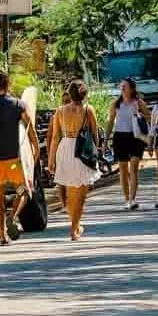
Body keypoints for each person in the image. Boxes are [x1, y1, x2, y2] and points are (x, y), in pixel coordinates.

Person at [0, 70, 40, 246]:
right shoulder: (18, 105)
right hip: (13, 160)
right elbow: (29, 127)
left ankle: (2, 235)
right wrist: (35, 147)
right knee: (24, 190)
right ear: (8, 85)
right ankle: (12, 216)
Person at [49, 79, 101, 241]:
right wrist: (96, 150)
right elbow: (95, 134)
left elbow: (56, 136)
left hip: (65, 148)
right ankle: (74, 229)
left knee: (72, 192)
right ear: (84, 94)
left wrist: (51, 159)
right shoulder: (88, 109)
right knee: (80, 194)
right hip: (82, 149)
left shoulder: (60, 111)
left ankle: (76, 226)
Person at [105, 78, 149, 211]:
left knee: (134, 167)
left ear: (131, 88)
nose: (122, 88)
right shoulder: (115, 104)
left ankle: (132, 199)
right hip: (120, 137)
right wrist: (106, 138)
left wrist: (140, 115)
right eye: (121, 86)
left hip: (136, 137)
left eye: (125, 86)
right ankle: (126, 198)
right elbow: (111, 122)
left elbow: (148, 117)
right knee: (123, 170)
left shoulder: (138, 102)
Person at [47, 90, 71, 211]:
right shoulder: (57, 115)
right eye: (64, 101)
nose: (66, 103)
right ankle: (65, 204)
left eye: (69, 101)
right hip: (60, 151)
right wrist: (50, 154)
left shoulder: (78, 113)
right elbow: (51, 136)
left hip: (74, 150)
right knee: (61, 180)